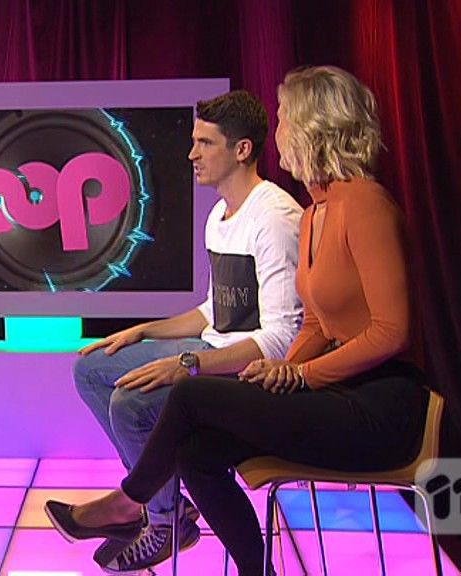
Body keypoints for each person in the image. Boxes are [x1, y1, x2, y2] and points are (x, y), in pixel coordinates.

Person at [45, 66, 429, 576]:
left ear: (316, 127)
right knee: (195, 451)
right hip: (329, 391)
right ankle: (253, 568)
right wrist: (279, 375)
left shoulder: (363, 203)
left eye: (286, 119)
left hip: (378, 403)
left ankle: (132, 502)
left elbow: (392, 332)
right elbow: (313, 326)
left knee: (189, 393)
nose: (279, 131)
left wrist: (298, 374)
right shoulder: (317, 211)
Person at [71, 90, 302, 572]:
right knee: (92, 369)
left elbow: (281, 341)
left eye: (205, 143)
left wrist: (187, 364)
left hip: (251, 371)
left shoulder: (275, 219)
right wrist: (145, 332)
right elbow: (216, 311)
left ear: (242, 150)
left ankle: (161, 520)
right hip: (212, 347)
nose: (192, 154)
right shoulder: (220, 214)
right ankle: (169, 509)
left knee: (130, 403)